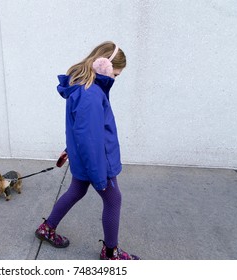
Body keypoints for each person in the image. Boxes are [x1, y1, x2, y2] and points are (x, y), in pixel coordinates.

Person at [34, 41, 140, 260]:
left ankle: (47, 228)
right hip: (98, 161)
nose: (115, 79)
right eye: (116, 75)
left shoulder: (82, 87)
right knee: (113, 199)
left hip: (84, 159)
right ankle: (111, 253)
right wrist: (99, 177)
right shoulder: (91, 94)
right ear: (104, 67)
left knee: (77, 190)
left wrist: (69, 149)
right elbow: (90, 140)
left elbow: (79, 130)